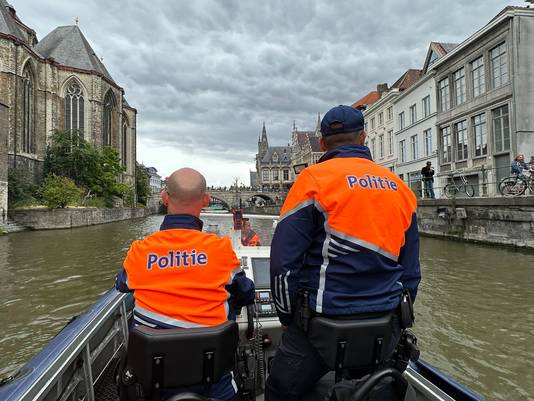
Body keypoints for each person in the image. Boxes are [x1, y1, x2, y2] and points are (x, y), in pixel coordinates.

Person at [266, 105, 421, 401]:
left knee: (281, 389)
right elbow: (411, 273)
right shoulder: (401, 189)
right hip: (383, 324)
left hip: (322, 322)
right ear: (363, 138)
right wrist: (396, 319)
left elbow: (283, 265)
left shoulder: (312, 180)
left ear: (322, 144)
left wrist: (288, 318)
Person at [115, 167, 255, 401]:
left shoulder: (140, 251)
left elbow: (122, 285)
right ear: (207, 200)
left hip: (154, 380)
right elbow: (246, 293)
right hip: (214, 378)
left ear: (164, 198)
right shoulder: (220, 249)